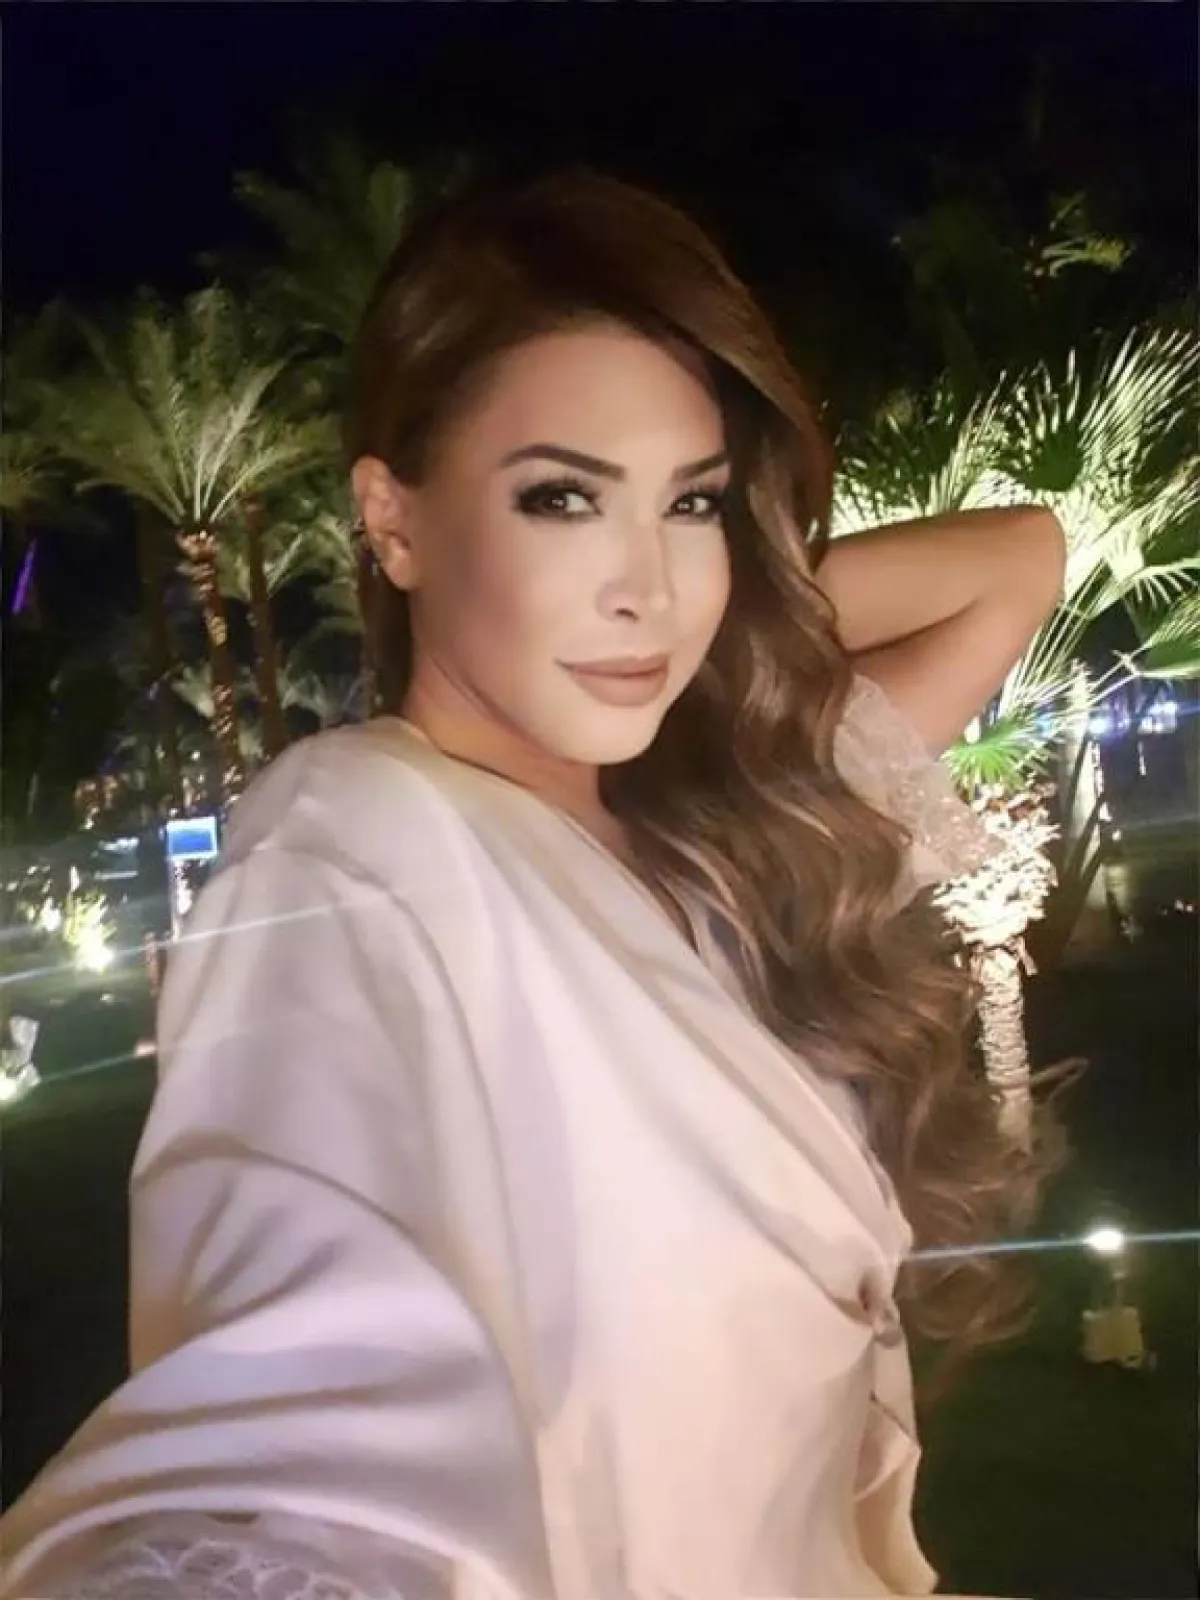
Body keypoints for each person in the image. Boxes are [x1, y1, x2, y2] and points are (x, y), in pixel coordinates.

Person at [1, 170, 1066, 1600]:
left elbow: (1020, 561)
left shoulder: (722, 835)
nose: (646, 589)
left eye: (690, 502)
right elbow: (286, 1415)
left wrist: (733, 600)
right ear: (393, 522)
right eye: (563, 498)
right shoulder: (355, 834)